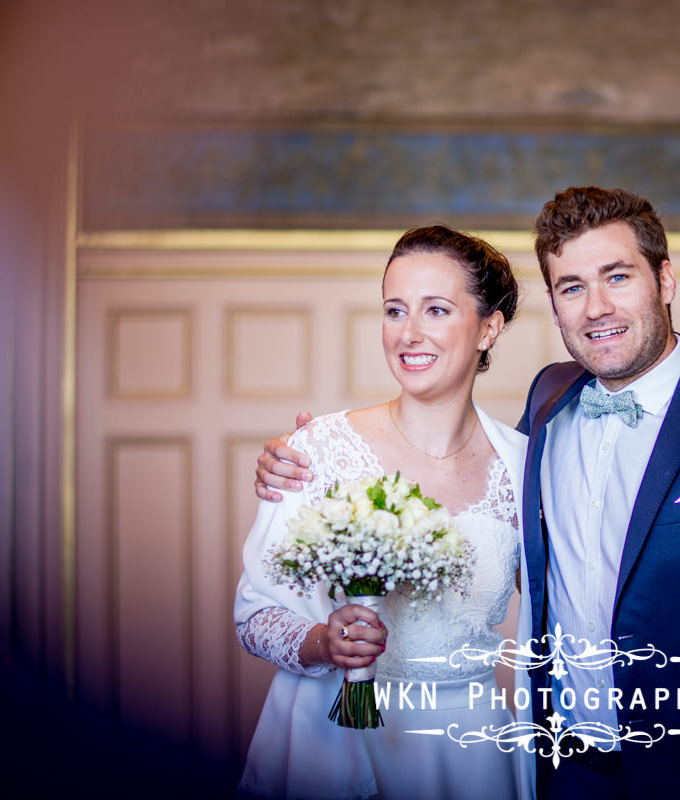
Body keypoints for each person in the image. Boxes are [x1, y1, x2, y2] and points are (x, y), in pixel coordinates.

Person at [258, 188, 680, 799]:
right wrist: (304, 469)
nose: (596, 307)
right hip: (556, 773)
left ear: (665, 280)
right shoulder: (547, 404)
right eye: (571, 287)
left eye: (617, 277)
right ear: (554, 304)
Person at [235, 225, 532, 800]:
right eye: (395, 310)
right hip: (336, 739)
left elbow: (561, 602)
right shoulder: (317, 449)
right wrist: (324, 642)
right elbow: (254, 616)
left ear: (488, 328)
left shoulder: (525, 465)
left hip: (469, 747)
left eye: (436, 310)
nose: (409, 332)